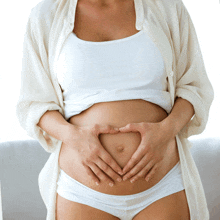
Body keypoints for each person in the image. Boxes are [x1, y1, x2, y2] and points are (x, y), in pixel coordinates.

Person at [15, 0, 214, 219]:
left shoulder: (167, 7)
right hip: (82, 193)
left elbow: (193, 86)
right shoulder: (47, 15)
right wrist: (74, 137)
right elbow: (34, 103)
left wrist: (166, 131)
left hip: (163, 185)